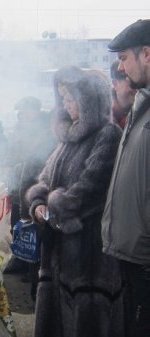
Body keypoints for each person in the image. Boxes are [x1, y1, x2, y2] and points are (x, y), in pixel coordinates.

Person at [26, 69, 124, 337]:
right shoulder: (67, 139)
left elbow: (90, 188)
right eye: (64, 100)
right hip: (57, 252)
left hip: (89, 255)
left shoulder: (108, 135)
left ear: (90, 101)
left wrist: (54, 205)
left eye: (72, 100)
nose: (66, 106)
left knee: (85, 320)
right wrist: (37, 203)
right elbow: (44, 179)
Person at [102, 19, 150, 337]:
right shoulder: (141, 106)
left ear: (146, 53)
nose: (120, 68)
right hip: (133, 257)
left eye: (124, 58)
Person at [4, 96, 56, 299]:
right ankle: (19, 260)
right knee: (17, 224)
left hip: (34, 188)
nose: (21, 114)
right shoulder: (19, 127)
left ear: (34, 110)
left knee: (33, 230)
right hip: (18, 185)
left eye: (24, 110)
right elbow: (11, 152)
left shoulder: (44, 131)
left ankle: (31, 269)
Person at [110, 59, 137, 129]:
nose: (137, 89)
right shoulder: (103, 118)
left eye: (138, 83)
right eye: (131, 83)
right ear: (115, 84)